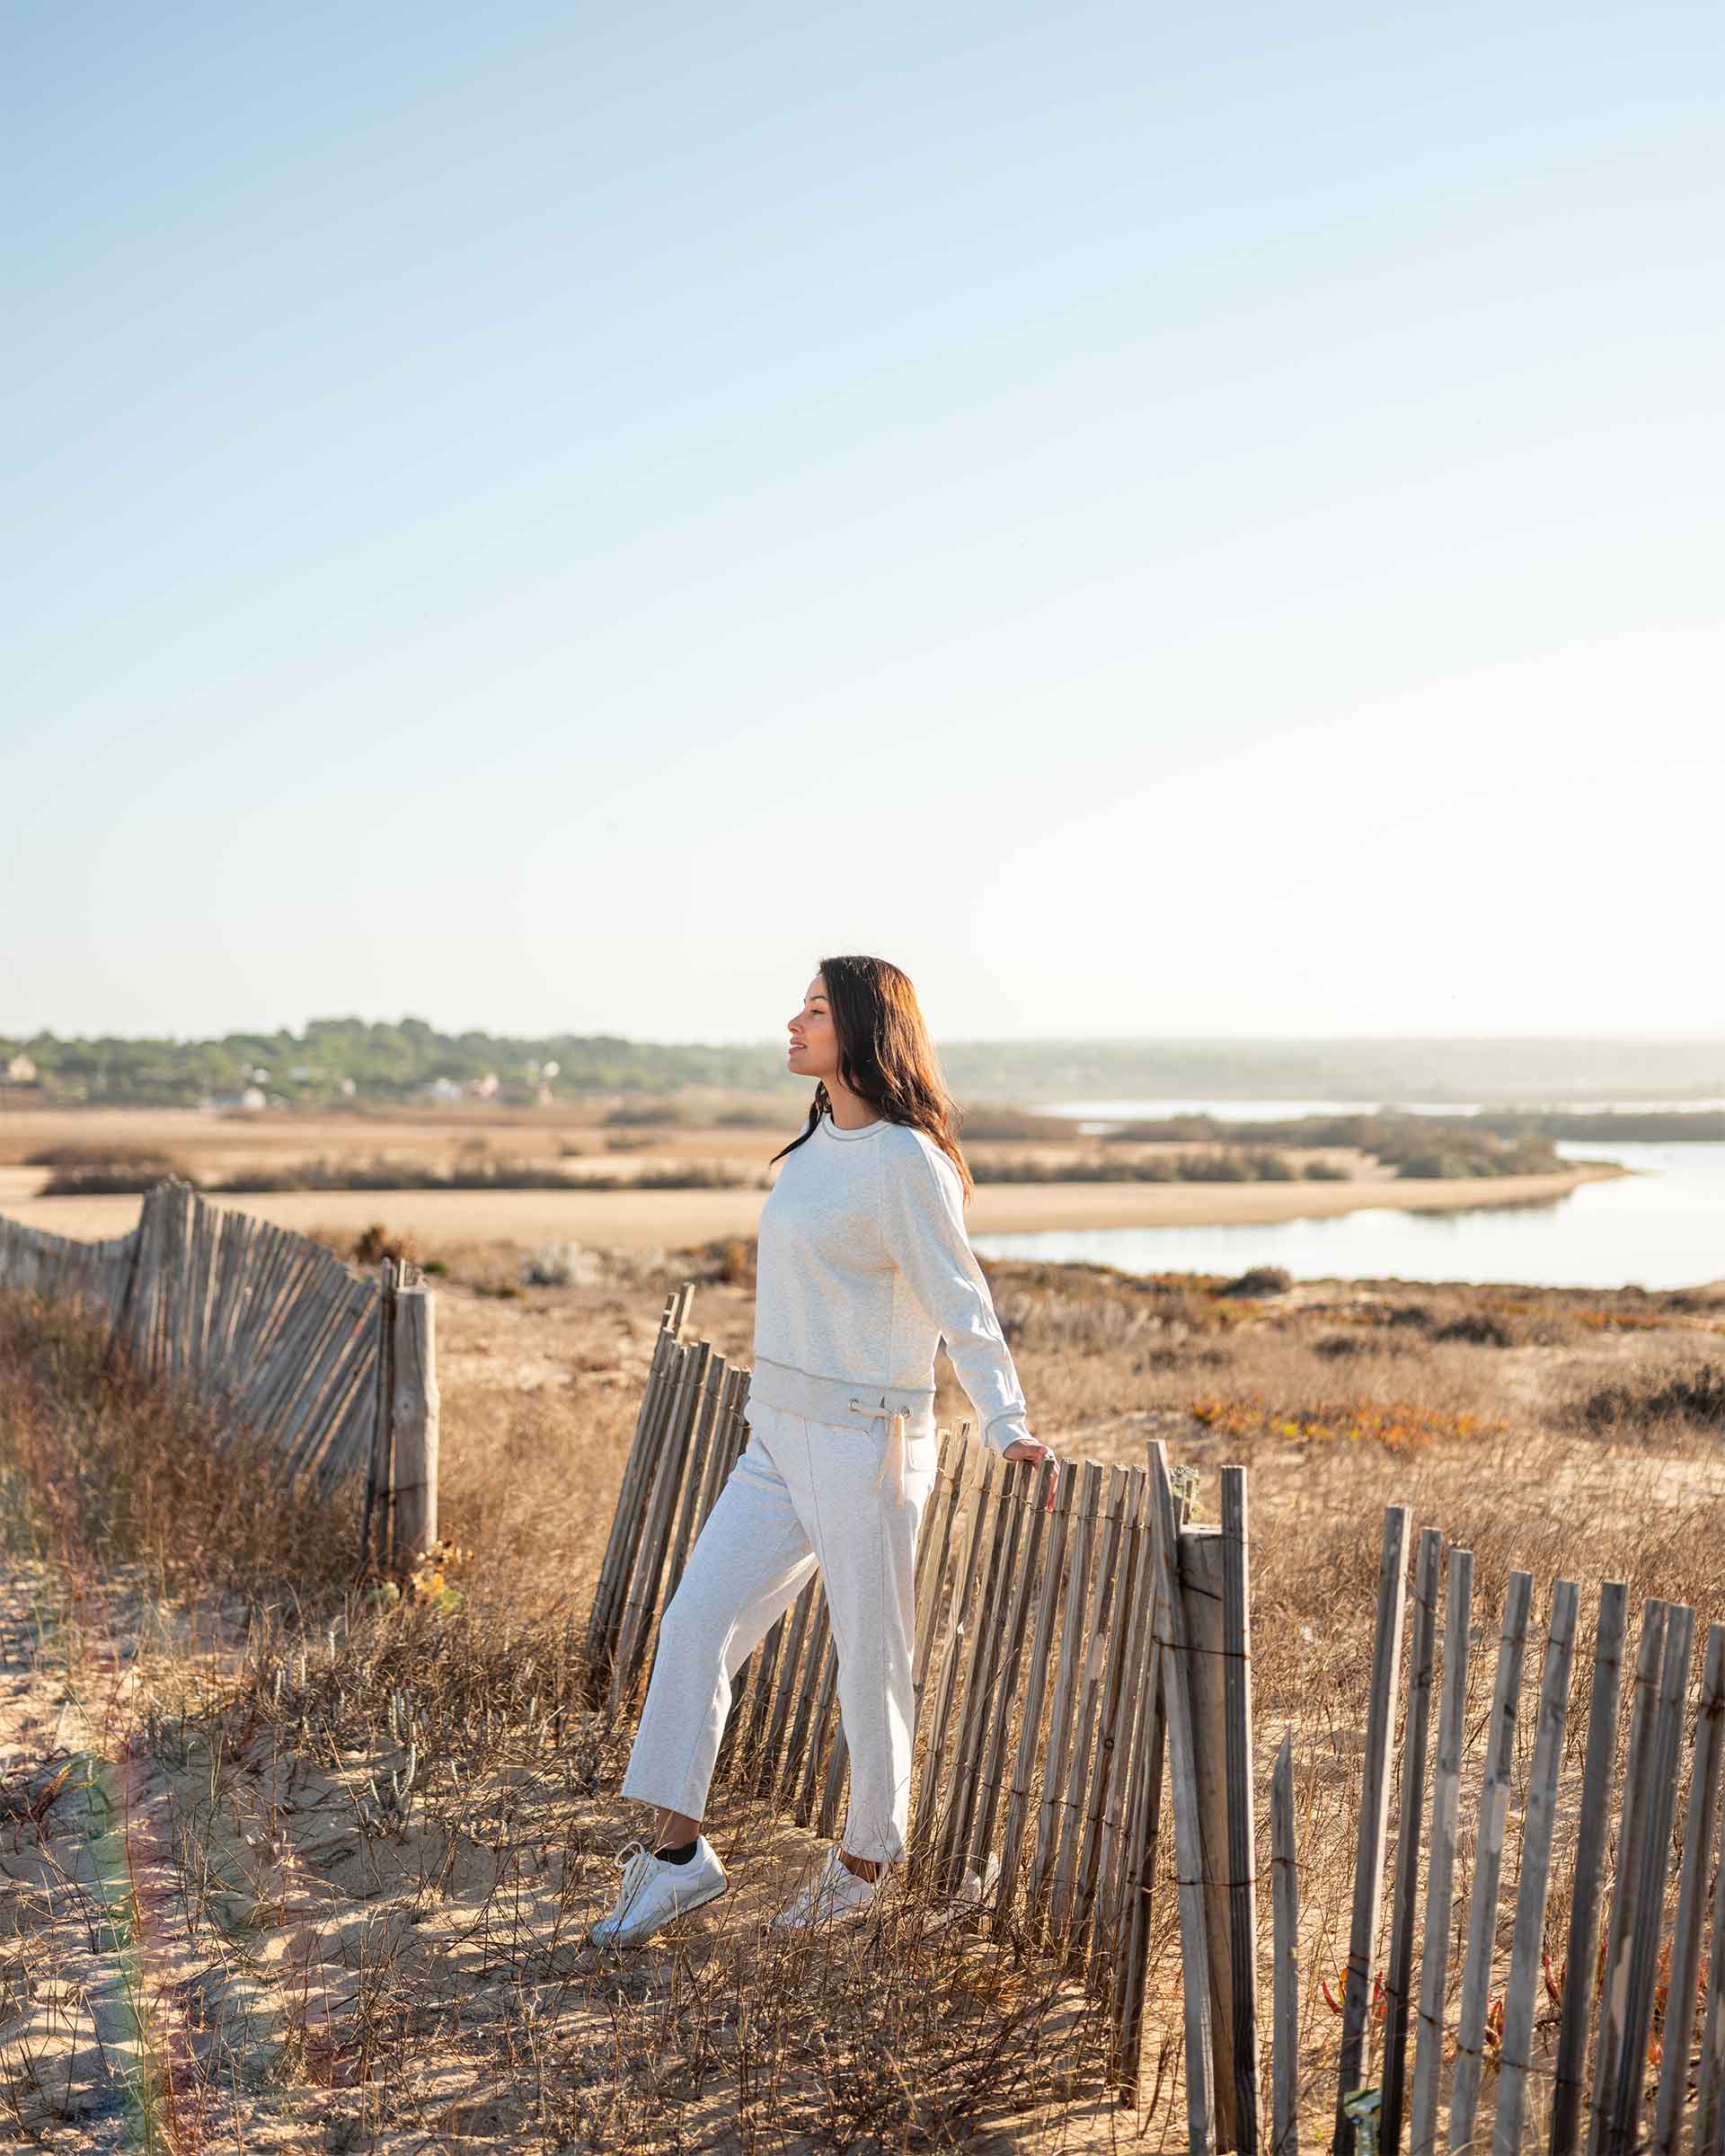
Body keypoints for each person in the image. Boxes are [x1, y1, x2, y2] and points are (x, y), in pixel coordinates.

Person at [590, 954, 1057, 1948]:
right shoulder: (809, 1148)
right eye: (797, 1010)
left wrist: (1006, 1422)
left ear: (861, 1029)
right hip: (778, 1439)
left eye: (812, 1011)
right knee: (694, 1625)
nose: (791, 1025)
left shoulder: (907, 1162)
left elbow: (960, 1303)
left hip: (868, 1440)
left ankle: (866, 1866)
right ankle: (678, 1859)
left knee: (869, 1659)